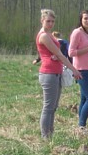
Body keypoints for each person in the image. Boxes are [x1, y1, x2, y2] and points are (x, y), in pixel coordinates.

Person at [35, 9, 82, 139]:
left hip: (56, 72)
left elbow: (54, 53)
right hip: (48, 73)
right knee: (48, 106)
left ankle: (50, 133)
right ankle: (46, 136)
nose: (50, 24)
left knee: (54, 106)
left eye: (52, 21)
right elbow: (59, 53)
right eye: (48, 21)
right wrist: (74, 69)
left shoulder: (49, 34)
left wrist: (56, 56)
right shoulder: (44, 35)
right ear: (42, 20)